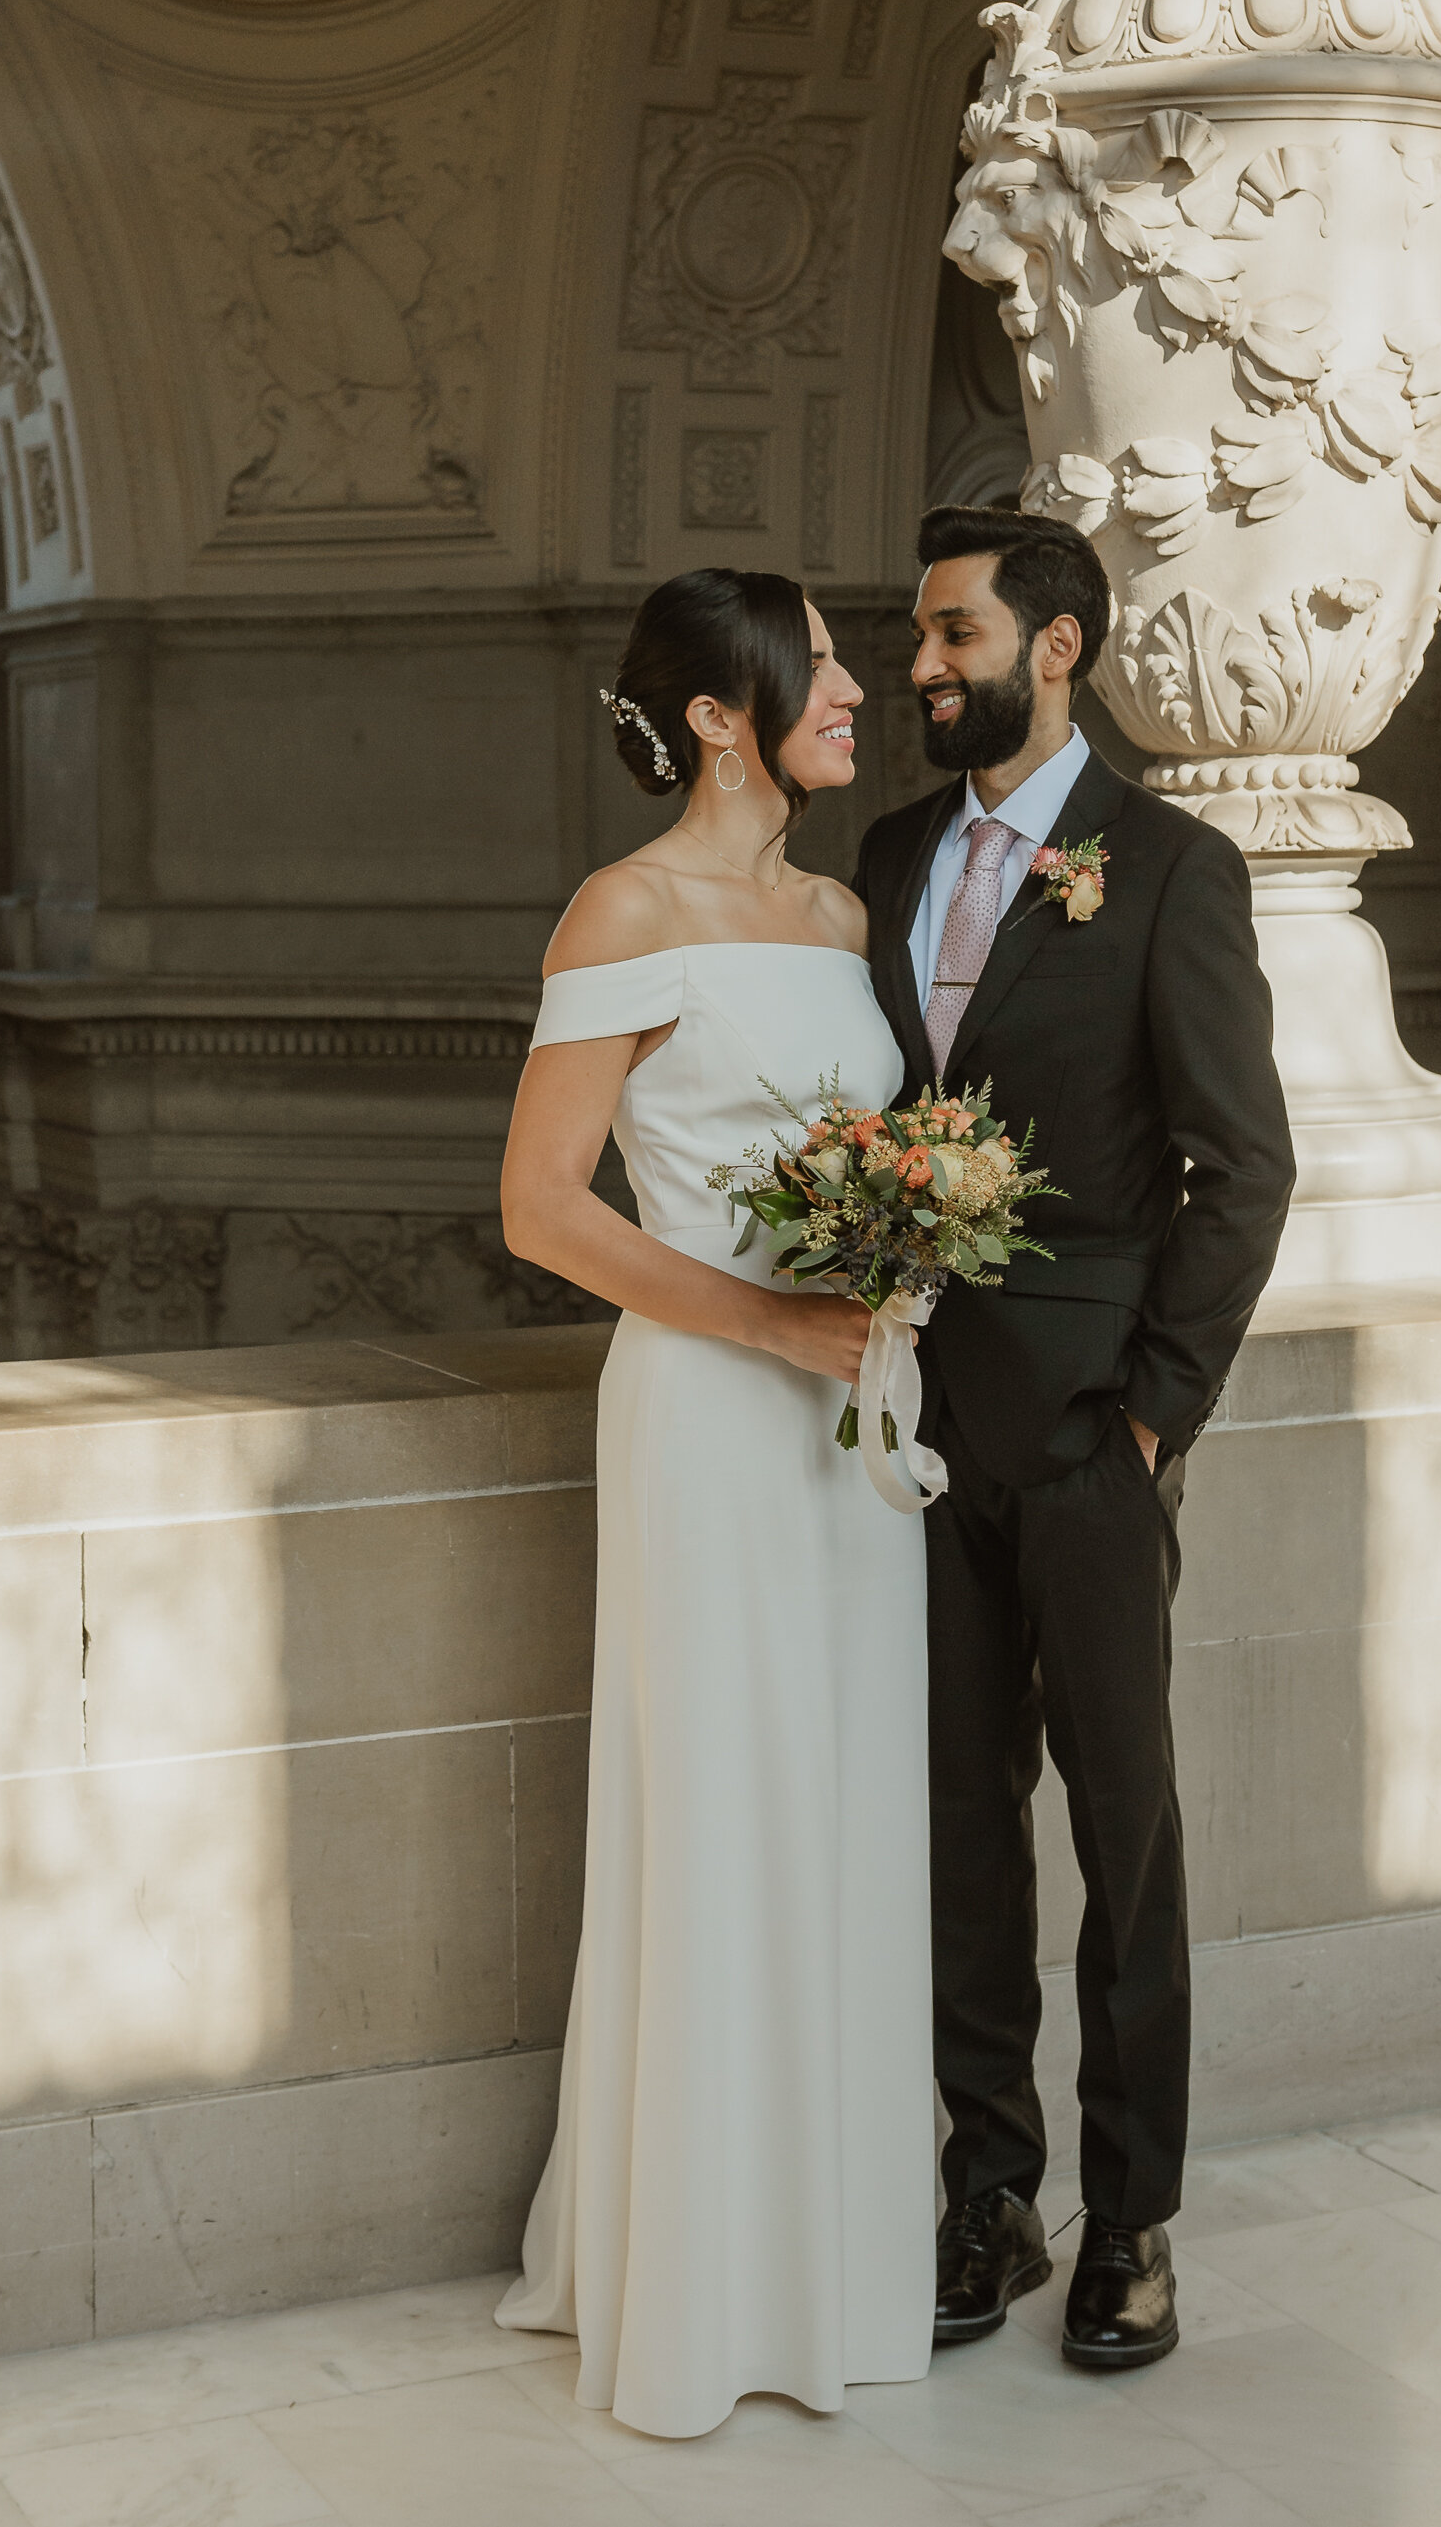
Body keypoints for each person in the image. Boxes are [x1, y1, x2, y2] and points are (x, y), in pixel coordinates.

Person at [850, 503, 1293, 2375]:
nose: (919, 666)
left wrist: (1151, 1418)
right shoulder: (882, 857)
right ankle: (989, 2191)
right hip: (904, 1431)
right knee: (957, 1820)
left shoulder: (1172, 868)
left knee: (1126, 1833)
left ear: (1057, 647)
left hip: (1094, 1432)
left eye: (951, 634)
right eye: (918, 636)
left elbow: (1241, 1168)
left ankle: (1133, 2220)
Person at [495, 568, 934, 2440]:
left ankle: (827, 2265)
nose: (861, 684)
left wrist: (910, 1254)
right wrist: (771, 1320)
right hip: (707, 1414)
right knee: (724, 1804)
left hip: (851, 1431)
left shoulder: (841, 912)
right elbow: (543, 1208)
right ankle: (690, 2288)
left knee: (839, 1805)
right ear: (718, 715)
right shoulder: (626, 908)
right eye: (825, 664)